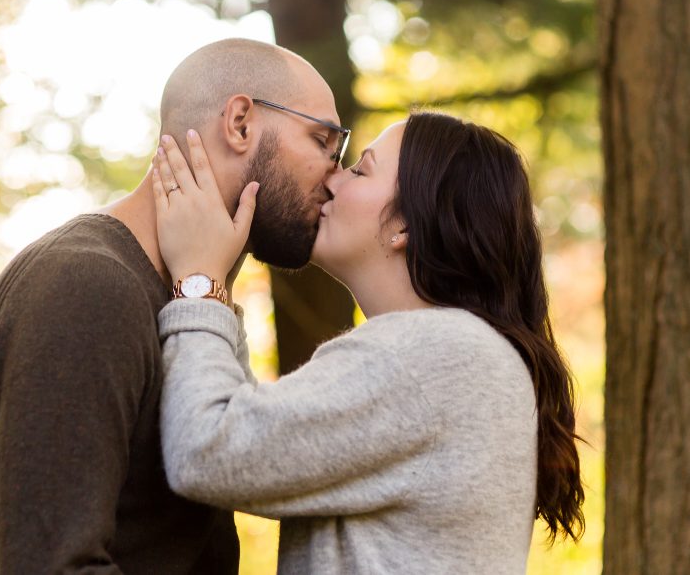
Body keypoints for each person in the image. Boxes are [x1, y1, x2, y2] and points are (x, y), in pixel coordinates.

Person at [0, 37, 351, 573]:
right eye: (324, 141)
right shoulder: (87, 288)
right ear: (240, 124)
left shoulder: (188, 308)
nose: (337, 175)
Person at [150, 112, 586, 574]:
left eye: (360, 169)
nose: (333, 177)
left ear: (405, 227)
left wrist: (199, 280)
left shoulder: (434, 354)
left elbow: (207, 451)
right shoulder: (462, 355)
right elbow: (254, 446)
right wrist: (217, 282)